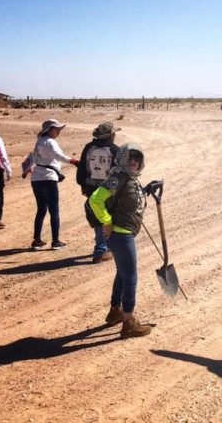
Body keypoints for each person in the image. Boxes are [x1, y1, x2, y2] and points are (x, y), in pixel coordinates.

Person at [89, 143, 152, 339]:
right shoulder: (120, 176)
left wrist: (147, 190)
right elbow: (95, 200)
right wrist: (106, 221)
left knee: (122, 273)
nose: (133, 161)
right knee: (131, 277)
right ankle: (129, 322)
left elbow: (128, 199)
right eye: (130, 157)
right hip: (120, 234)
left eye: (137, 158)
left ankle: (115, 312)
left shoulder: (129, 178)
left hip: (122, 233)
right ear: (123, 158)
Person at [25, 119, 78, 250]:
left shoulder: (39, 141)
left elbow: (32, 157)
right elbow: (58, 155)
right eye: (56, 129)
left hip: (36, 178)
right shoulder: (50, 142)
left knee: (41, 209)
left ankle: (37, 240)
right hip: (48, 178)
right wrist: (73, 161)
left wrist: (26, 169)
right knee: (54, 210)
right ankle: (55, 241)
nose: (59, 131)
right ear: (49, 130)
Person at [77, 121, 121, 263]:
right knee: (107, 217)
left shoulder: (88, 148)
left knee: (97, 217)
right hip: (108, 191)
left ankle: (102, 247)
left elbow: (82, 168)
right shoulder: (115, 150)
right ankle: (102, 249)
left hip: (91, 188)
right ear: (110, 135)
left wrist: (83, 184)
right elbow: (119, 172)